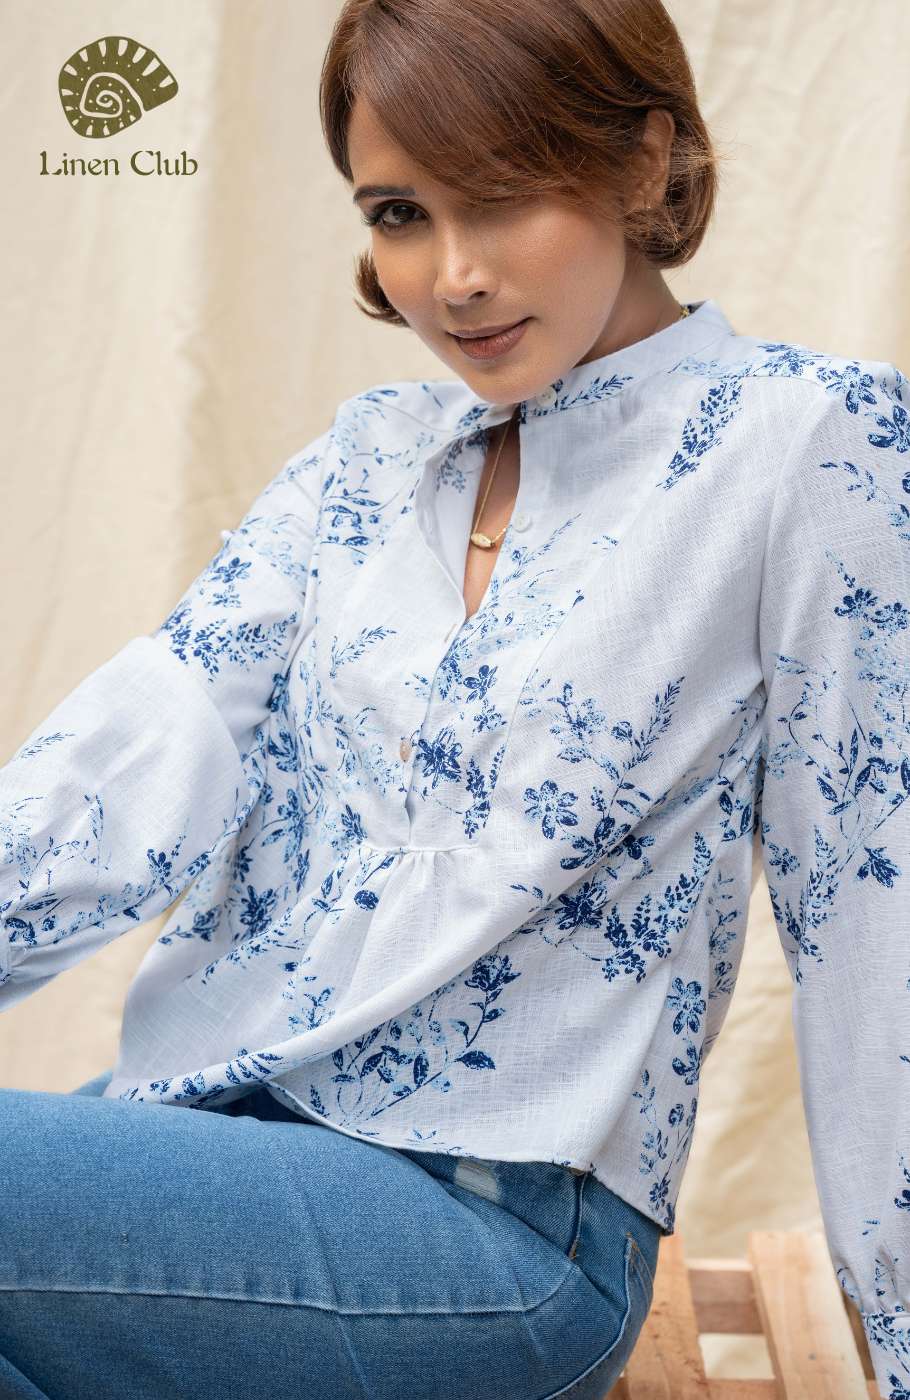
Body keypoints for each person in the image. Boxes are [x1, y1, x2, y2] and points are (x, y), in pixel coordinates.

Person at [2, 1, 908, 1396]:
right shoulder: (363, 461)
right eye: (400, 215)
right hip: (225, 1143)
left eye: (499, 197)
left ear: (640, 157)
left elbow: (874, 908)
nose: (455, 275)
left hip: (501, 1238)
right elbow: (124, 772)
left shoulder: (804, 444)